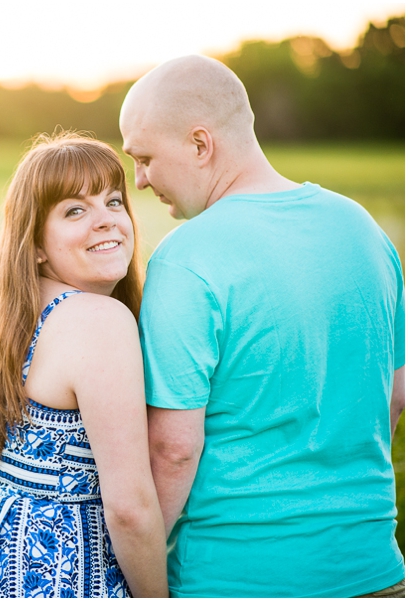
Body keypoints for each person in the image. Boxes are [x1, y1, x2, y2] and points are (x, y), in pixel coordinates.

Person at [119, 54, 405, 598]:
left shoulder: (186, 259)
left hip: (237, 578)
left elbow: (173, 451)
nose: (139, 181)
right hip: (375, 570)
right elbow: (394, 396)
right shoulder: (364, 230)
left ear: (200, 145)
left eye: (146, 158)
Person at [0, 131, 168, 598]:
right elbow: (128, 508)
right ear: (37, 243)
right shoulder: (98, 320)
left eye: (113, 201)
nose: (106, 221)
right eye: (74, 210)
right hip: (61, 572)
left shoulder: (18, 314)